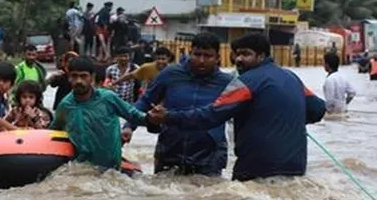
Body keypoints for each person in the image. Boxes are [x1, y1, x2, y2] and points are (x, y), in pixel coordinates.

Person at [148, 32, 326, 182]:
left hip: (255, 168)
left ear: (262, 56)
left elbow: (211, 116)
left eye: (246, 54)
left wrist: (169, 117)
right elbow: (318, 110)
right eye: (237, 54)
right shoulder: (291, 78)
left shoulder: (245, 82)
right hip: (295, 167)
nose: (239, 59)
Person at [122, 33, 233, 177]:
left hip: (209, 156)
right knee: (162, 195)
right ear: (190, 53)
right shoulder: (170, 74)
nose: (201, 60)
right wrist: (129, 126)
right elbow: (145, 101)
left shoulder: (227, 83)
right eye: (197, 54)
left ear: (217, 58)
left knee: (207, 195)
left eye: (207, 56)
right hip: (170, 150)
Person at [50, 56, 151, 171]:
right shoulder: (65, 106)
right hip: (82, 171)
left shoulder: (108, 98)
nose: (78, 81)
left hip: (112, 170)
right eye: (74, 76)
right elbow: (54, 132)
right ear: (69, 78)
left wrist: (153, 119)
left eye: (83, 76)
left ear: (92, 77)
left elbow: (134, 115)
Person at [107, 46, 172, 90]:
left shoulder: (172, 71)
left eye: (163, 59)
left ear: (168, 58)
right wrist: (114, 83)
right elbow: (130, 75)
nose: (160, 61)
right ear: (154, 58)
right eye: (158, 59)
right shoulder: (147, 67)